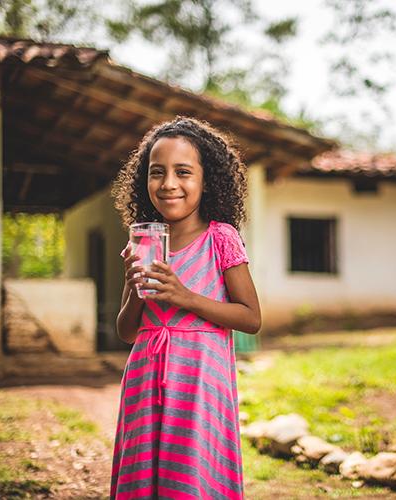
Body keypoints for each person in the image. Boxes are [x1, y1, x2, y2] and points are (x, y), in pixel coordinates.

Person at [109, 116, 261, 499]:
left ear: (206, 179)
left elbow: (251, 317)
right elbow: (128, 332)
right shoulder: (141, 241)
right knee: (144, 476)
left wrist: (185, 296)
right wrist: (134, 291)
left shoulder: (220, 238)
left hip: (199, 383)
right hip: (145, 379)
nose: (169, 184)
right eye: (157, 173)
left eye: (183, 172)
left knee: (189, 478)